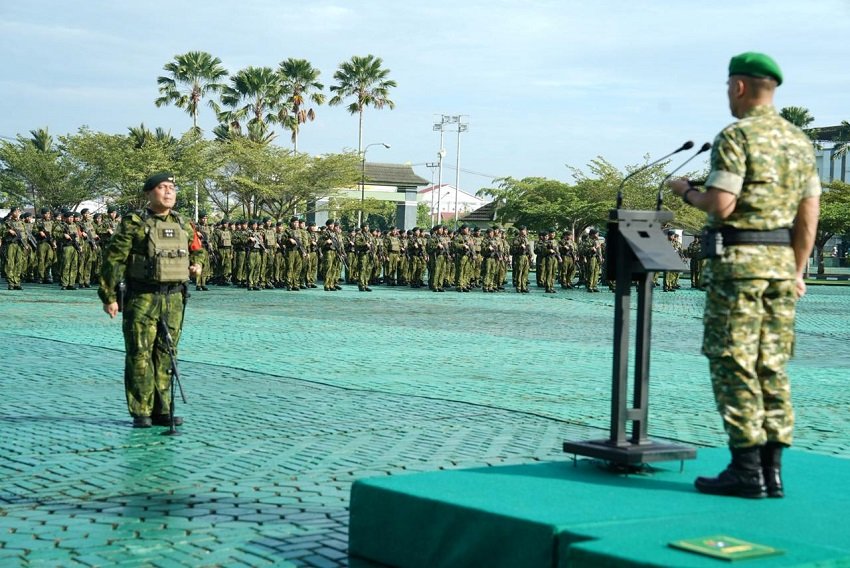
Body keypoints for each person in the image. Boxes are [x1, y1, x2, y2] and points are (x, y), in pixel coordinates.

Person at [668, 52, 820, 498]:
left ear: (738, 87)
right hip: (780, 268)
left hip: (739, 269)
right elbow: (809, 213)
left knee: (733, 360)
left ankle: (745, 468)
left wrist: (687, 192)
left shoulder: (737, 136)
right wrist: (797, 269)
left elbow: (721, 204)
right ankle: (772, 471)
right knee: (771, 363)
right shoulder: (798, 142)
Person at [98, 173, 205, 428]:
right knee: (139, 353)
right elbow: (114, 260)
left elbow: (198, 250)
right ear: (149, 193)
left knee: (167, 353)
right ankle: (141, 411)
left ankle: (162, 409)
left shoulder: (183, 223)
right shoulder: (133, 222)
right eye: (162, 187)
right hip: (142, 297)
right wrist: (109, 296)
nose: (168, 192)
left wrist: (198, 265)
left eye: (172, 187)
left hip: (174, 298)